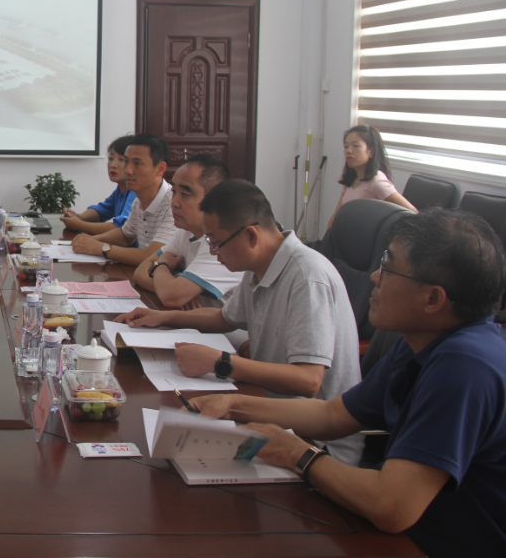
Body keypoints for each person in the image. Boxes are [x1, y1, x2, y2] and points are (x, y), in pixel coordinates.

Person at [191, 209, 506, 558]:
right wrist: (233, 404)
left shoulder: (464, 368)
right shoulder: (423, 339)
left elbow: (392, 506)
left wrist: (296, 453)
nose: (374, 277)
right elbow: (333, 415)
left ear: (432, 299)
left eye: (389, 268)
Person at [118, 179, 363, 464]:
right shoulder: (260, 265)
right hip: (265, 409)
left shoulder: (307, 278)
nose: (213, 252)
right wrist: (163, 317)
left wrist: (221, 362)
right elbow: (225, 317)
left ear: (251, 235)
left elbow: (309, 380)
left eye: (216, 243)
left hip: (315, 442)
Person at [132, 154, 241, 309]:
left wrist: (161, 265)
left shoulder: (224, 242)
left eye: (185, 194)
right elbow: (140, 272)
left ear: (215, 199)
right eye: (174, 192)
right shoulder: (187, 232)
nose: (174, 203)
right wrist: (168, 288)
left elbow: (171, 297)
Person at [70, 133, 176, 267]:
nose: (128, 170)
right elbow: (125, 236)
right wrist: (90, 240)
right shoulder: (139, 201)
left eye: (137, 163)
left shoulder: (174, 204)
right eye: (126, 161)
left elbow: (153, 256)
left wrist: (101, 248)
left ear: (160, 169)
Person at [327, 124, 416, 231]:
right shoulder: (350, 181)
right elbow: (336, 216)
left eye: (356, 146)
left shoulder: (377, 182)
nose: (348, 151)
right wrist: (326, 238)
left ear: (371, 151)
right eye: (346, 146)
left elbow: (413, 213)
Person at [60, 135, 137, 235]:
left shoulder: (136, 191)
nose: (113, 165)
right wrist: (78, 217)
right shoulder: (121, 189)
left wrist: (79, 224)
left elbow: (122, 228)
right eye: (111, 158)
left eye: (122, 160)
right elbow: (101, 211)